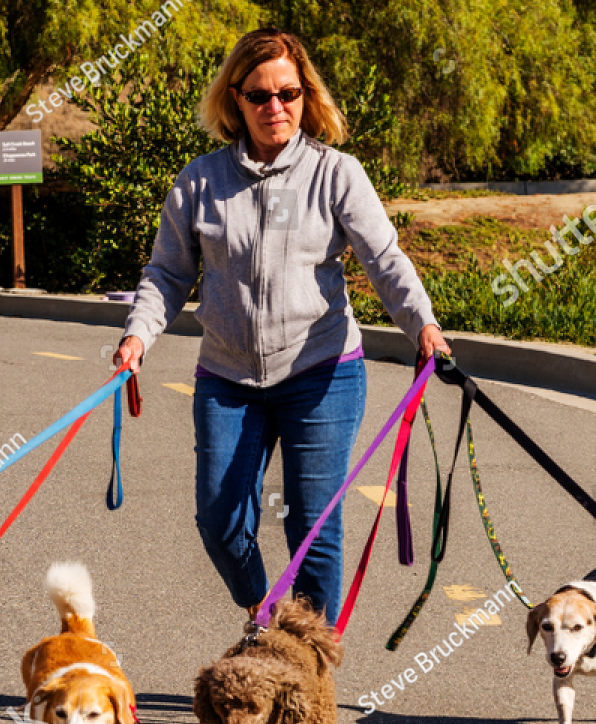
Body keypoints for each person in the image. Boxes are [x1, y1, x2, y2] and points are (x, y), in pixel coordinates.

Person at [114, 27, 450, 625]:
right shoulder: (200, 182)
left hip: (320, 373)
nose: (277, 108)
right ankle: (263, 613)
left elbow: (385, 260)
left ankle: (309, 664)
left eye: (289, 94)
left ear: (306, 95)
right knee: (219, 518)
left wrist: (423, 326)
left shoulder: (335, 174)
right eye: (261, 95)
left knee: (312, 524)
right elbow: (167, 274)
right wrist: (137, 336)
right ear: (235, 100)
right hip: (227, 378)